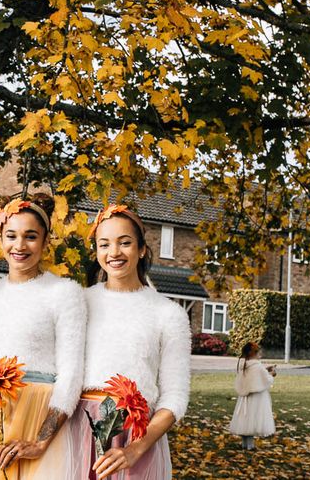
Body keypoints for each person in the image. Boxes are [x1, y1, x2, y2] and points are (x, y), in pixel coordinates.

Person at [70, 204, 191, 480]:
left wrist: (136, 449)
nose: (114, 253)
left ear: (141, 249)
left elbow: (175, 397)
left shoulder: (168, 313)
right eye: (104, 244)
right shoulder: (79, 302)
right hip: (79, 434)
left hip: (137, 438)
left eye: (124, 243)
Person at [0, 197, 86, 480]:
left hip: (39, 416)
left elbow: (71, 374)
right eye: (11, 236)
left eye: (31, 236)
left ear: (46, 241)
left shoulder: (65, 292)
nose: (20, 246)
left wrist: (41, 440)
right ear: (0, 240)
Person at [228, 341, 276, 450]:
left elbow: (251, 378)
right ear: (254, 353)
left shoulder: (243, 365)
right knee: (253, 419)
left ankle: (245, 443)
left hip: (244, 397)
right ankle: (250, 446)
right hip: (257, 398)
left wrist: (265, 370)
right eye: (258, 353)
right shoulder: (257, 367)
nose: (260, 355)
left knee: (245, 419)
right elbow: (266, 380)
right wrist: (272, 374)